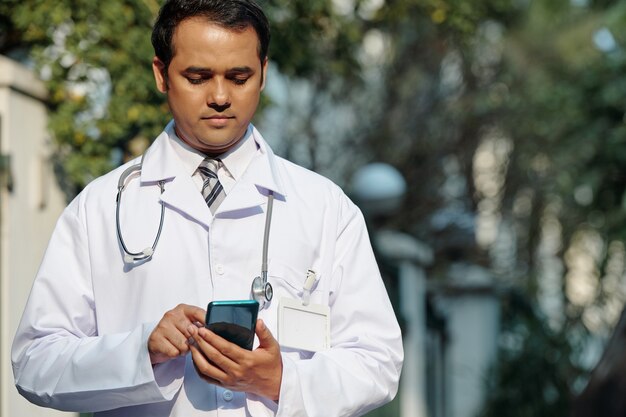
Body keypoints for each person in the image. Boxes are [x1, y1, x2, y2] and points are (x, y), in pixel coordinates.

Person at [11, 0, 403, 416]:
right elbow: (35, 363)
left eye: (239, 77)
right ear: (161, 75)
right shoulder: (100, 207)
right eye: (197, 77)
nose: (219, 96)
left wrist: (282, 380)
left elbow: (378, 362)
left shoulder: (326, 208)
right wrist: (141, 351)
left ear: (264, 73)